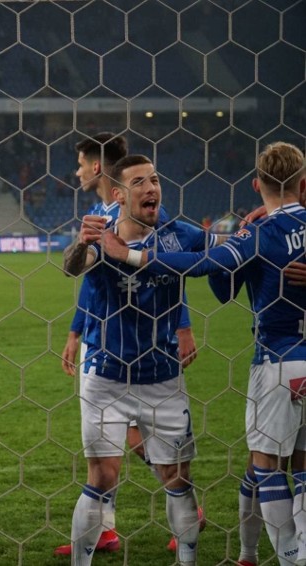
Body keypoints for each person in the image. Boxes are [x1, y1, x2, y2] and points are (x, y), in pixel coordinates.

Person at [102, 142, 306, 566]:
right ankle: (250, 554)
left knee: (268, 467)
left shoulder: (260, 233)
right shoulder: (261, 229)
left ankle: (292, 558)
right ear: (303, 184)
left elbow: (205, 266)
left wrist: (132, 254)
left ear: (256, 184)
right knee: (296, 466)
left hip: (278, 361)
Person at [63, 154, 221, 566]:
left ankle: (187, 561)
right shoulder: (100, 236)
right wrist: (81, 243)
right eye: (139, 182)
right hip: (107, 377)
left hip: (162, 377)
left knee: (177, 478)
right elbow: (72, 268)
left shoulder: (177, 235)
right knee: (102, 476)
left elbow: (223, 254)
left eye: (155, 179)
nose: (151, 188)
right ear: (118, 194)